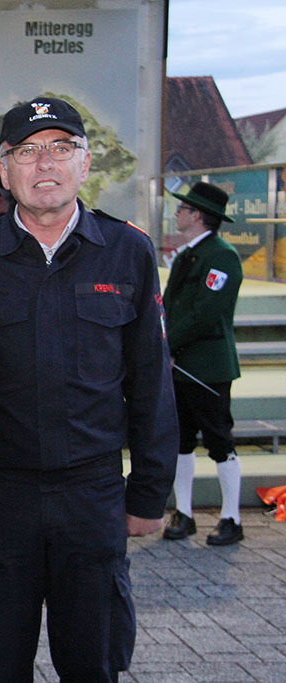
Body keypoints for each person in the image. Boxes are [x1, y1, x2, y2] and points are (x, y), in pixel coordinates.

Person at [0, 96, 178, 681]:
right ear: (4, 170)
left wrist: (149, 492)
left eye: (61, 147)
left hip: (91, 495)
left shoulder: (127, 250)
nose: (44, 163)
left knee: (93, 663)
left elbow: (152, 380)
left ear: (85, 162)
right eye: (26, 151)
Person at [161, 181, 244, 545]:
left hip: (207, 366)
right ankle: (184, 512)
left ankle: (231, 518)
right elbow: (169, 306)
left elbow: (205, 313)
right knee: (180, 440)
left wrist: (168, 345)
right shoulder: (188, 255)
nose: (178, 213)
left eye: (183, 209)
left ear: (197, 215)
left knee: (219, 440)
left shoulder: (221, 256)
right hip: (181, 364)